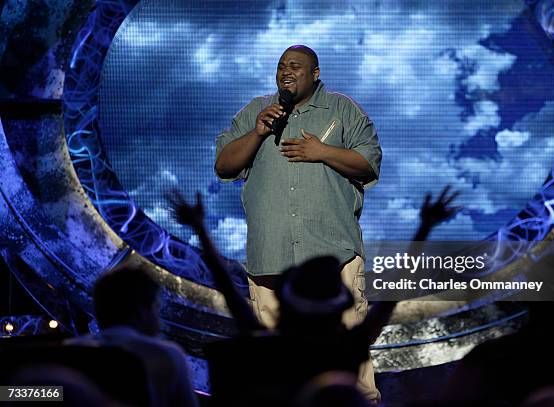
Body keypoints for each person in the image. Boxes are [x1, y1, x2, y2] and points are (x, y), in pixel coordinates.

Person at [167, 187, 459, 406]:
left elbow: (229, 291)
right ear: (338, 308)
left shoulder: (262, 347)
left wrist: (200, 228)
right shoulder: (349, 347)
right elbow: (393, 293)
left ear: (286, 305)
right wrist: (425, 227)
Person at [214, 44, 383, 402]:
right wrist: (258, 132)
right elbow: (224, 165)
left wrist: (322, 152)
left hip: (333, 260)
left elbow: (368, 163)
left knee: (352, 379)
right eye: (280, 67)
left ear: (315, 73)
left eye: (295, 66)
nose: (285, 72)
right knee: (273, 380)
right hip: (270, 264)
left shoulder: (342, 110)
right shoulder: (256, 111)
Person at [66, 265, 198, 407]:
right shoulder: (168, 355)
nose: (158, 318)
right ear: (141, 312)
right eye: (156, 308)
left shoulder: (67, 351)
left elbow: (43, 395)